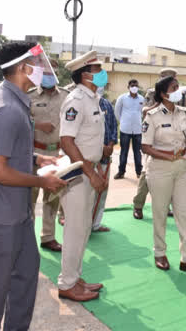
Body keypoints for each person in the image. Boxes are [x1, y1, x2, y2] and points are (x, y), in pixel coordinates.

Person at [0, 42, 67, 330]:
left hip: (16, 212)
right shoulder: (7, 108)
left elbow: (8, 151)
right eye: (38, 66)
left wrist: (38, 158)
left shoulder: (14, 101)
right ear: (24, 68)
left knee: (25, 275)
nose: (44, 71)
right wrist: (42, 181)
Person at [142, 75, 186, 274]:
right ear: (163, 94)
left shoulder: (183, 113)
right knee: (160, 213)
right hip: (159, 170)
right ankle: (160, 253)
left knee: (183, 214)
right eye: (174, 88)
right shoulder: (152, 116)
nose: (178, 91)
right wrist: (167, 155)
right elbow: (145, 147)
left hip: (182, 168)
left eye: (178, 87)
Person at [57, 50, 107, 302]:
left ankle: (75, 278)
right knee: (75, 229)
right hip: (78, 173)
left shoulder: (92, 98)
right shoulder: (76, 99)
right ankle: (67, 284)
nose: (103, 73)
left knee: (84, 227)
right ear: (86, 74)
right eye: (99, 69)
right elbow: (66, 141)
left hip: (89, 168)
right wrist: (90, 171)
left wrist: (97, 168)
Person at [28, 64, 69, 252]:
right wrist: (37, 124)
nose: (48, 77)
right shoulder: (29, 96)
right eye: (44, 74)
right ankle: (27, 239)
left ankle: (48, 237)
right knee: (30, 198)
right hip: (35, 154)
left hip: (57, 154)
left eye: (50, 73)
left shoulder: (66, 96)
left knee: (52, 198)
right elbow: (19, 119)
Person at [133, 68, 179, 220]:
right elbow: (145, 111)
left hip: (171, 139)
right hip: (153, 138)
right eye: (167, 78)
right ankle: (138, 206)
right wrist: (160, 105)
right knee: (147, 174)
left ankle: (165, 207)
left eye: (172, 78)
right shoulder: (153, 93)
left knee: (170, 176)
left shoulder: (178, 92)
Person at [92, 87, 117, 232]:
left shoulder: (106, 104)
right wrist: (100, 147)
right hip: (88, 157)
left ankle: (95, 223)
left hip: (106, 156)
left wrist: (111, 144)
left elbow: (113, 126)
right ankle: (83, 226)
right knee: (87, 193)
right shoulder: (81, 103)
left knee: (102, 190)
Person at [114, 79, 145, 179]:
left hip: (137, 129)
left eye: (136, 85)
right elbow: (117, 112)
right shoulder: (122, 98)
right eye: (132, 85)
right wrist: (123, 121)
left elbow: (143, 113)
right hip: (125, 129)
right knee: (124, 152)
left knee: (137, 152)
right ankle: (121, 172)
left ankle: (139, 172)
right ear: (128, 87)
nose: (134, 87)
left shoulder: (141, 99)